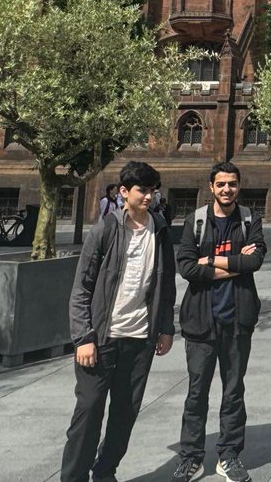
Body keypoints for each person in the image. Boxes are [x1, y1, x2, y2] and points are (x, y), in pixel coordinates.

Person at [62, 161, 176, 482]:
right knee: (89, 412)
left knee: (125, 413)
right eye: (143, 190)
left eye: (153, 190)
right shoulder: (106, 229)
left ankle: (105, 471)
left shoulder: (161, 230)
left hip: (140, 338)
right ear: (124, 192)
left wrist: (165, 327)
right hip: (100, 339)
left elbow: (166, 285)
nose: (149, 197)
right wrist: (83, 336)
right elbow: (82, 287)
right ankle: (73, 477)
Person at [172, 161, 266, 482]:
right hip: (201, 323)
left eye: (233, 184)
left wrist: (211, 260)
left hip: (237, 320)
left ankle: (229, 456)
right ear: (211, 187)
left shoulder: (250, 219)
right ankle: (191, 458)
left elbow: (256, 260)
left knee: (233, 391)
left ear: (239, 187)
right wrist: (236, 263)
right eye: (222, 184)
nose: (227, 189)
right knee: (196, 394)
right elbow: (186, 267)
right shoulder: (195, 221)